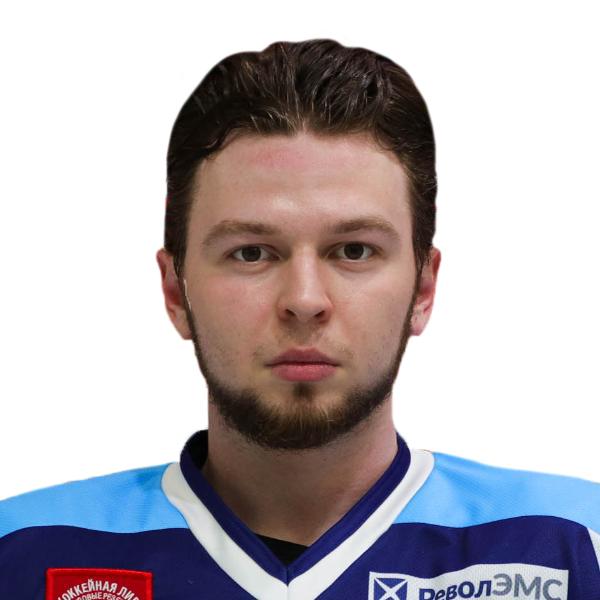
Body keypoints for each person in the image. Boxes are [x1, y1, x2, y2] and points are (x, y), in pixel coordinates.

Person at [1, 38, 598, 600]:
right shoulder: (23, 553)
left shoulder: (574, 544)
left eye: (354, 250)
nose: (305, 300)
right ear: (175, 292)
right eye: (251, 253)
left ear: (423, 288)